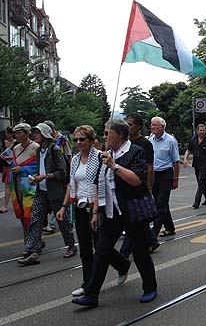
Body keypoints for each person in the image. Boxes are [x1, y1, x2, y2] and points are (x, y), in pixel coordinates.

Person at [72, 119, 157, 307]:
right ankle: (92, 294)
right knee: (102, 250)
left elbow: (137, 181)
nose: (104, 136)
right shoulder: (105, 154)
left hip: (132, 210)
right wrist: (95, 212)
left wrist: (114, 166)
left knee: (140, 251)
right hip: (111, 212)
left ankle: (150, 287)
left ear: (119, 134)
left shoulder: (135, 151)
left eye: (107, 132)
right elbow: (97, 184)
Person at [55, 125, 122, 296]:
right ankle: (88, 285)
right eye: (76, 139)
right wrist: (64, 206)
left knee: (101, 247)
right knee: (85, 248)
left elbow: (99, 185)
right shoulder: (75, 159)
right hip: (79, 206)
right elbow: (72, 183)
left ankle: (122, 265)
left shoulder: (101, 157)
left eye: (82, 139)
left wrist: (95, 212)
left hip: (96, 207)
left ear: (91, 140)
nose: (78, 142)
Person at [18, 123, 76, 266]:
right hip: (41, 191)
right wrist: (36, 177)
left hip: (55, 192)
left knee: (62, 221)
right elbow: (40, 170)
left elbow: (62, 173)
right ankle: (33, 252)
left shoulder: (55, 149)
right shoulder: (39, 151)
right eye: (34, 133)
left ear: (45, 134)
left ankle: (71, 246)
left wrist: (44, 176)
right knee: (35, 219)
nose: (34, 135)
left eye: (37, 133)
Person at [120, 113, 159, 253]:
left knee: (134, 219)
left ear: (138, 126)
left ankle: (124, 254)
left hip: (139, 186)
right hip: (125, 186)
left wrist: (148, 187)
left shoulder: (145, 144)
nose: (127, 127)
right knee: (136, 219)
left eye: (130, 125)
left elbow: (150, 167)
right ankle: (152, 240)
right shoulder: (124, 142)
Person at [149, 117, 180, 237]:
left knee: (160, 204)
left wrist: (175, 179)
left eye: (155, 125)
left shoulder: (170, 140)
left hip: (166, 174)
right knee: (160, 202)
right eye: (151, 125)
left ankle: (153, 234)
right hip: (154, 174)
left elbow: (176, 161)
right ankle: (170, 227)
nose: (152, 127)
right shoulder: (150, 140)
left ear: (162, 127)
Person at [10, 123, 39, 241]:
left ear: (27, 133)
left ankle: (33, 241)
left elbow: (37, 166)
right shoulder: (16, 148)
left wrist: (22, 169)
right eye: (15, 133)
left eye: (20, 133)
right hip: (17, 182)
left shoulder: (35, 147)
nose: (17, 135)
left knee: (31, 213)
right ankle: (29, 240)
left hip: (30, 185)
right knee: (22, 211)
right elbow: (13, 163)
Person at [183, 124, 206, 209]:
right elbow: (188, 150)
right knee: (200, 182)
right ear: (197, 131)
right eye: (200, 130)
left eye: (203, 130)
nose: (202, 132)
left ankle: (196, 202)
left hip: (204, 164)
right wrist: (185, 159)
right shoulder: (193, 139)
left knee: (201, 181)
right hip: (196, 164)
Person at [1, 127, 15, 213]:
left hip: (12, 166)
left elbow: (16, 155)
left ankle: (5, 205)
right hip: (5, 166)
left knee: (8, 185)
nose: (6, 134)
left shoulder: (17, 143)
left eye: (7, 133)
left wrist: (8, 157)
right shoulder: (4, 142)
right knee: (8, 185)